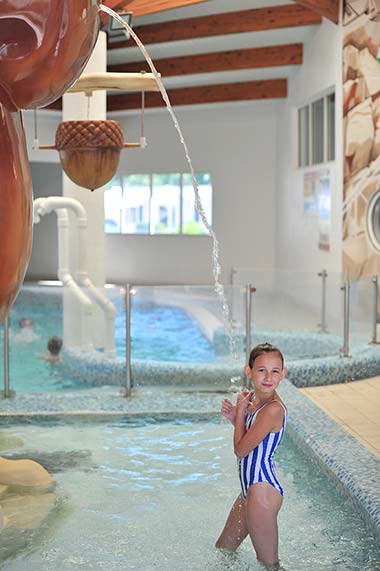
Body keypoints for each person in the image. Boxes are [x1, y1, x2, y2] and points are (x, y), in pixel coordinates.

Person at [215, 342, 287, 571]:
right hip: (249, 491)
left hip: (262, 491)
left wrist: (238, 415)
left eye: (275, 371)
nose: (268, 377)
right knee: (223, 550)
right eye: (261, 370)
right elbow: (253, 441)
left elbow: (240, 450)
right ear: (249, 371)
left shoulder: (272, 409)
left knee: (269, 566)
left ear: (282, 374)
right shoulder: (255, 402)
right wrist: (237, 417)